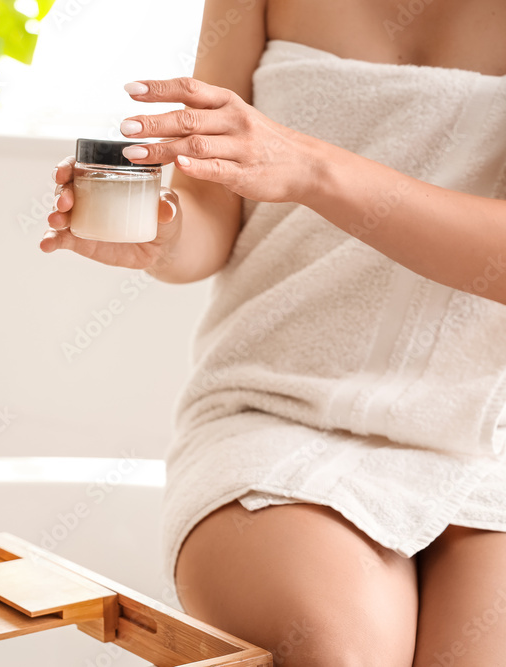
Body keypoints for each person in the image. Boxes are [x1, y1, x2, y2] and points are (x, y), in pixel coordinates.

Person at [42, 1, 506, 665]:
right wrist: (164, 235)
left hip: (482, 438)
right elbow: (210, 214)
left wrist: (312, 166)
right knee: (335, 654)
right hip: (276, 412)